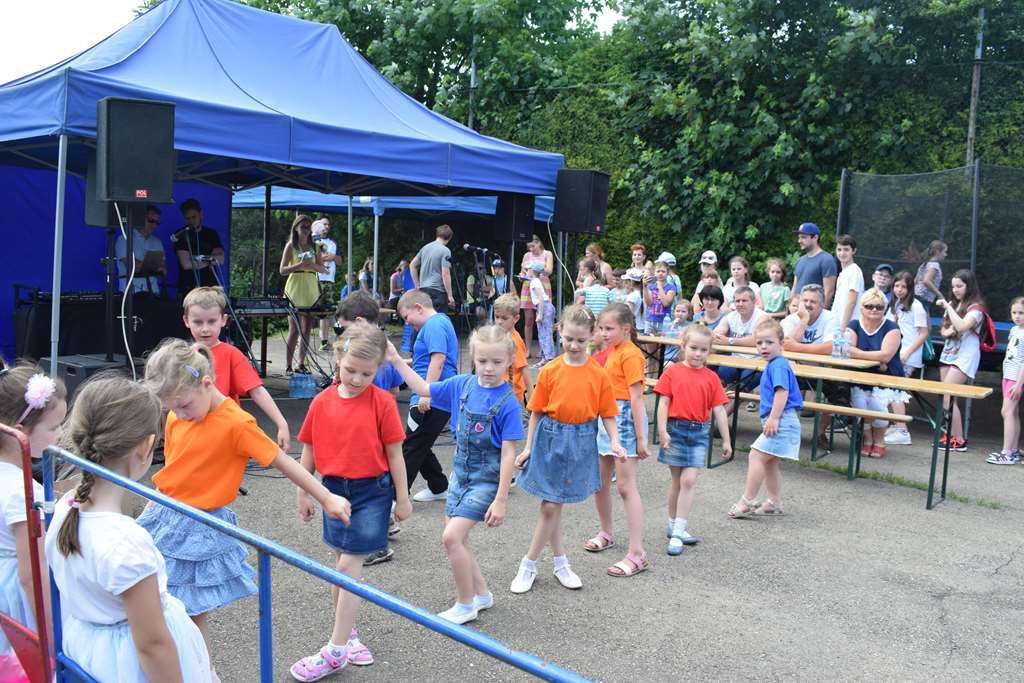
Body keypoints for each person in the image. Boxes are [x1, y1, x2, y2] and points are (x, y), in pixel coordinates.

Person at [138, 340, 350, 666]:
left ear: (206, 383)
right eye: (172, 409)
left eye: (183, 406)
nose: (179, 415)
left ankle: (203, 672)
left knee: (191, 612)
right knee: (159, 602)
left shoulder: (236, 423)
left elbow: (282, 461)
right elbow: (174, 467)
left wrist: (326, 497)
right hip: (166, 512)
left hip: (199, 525)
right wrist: (153, 503)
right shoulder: (180, 414)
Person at [46, 375, 211, 682]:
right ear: (146, 446)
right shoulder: (125, 542)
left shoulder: (64, 507)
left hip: (87, 648)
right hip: (128, 664)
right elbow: (152, 645)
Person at [289, 323, 412, 680]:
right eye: (350, 370)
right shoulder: (321, 402)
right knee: (339, 566)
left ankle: (336, 649)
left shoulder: (383, 402)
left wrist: (403, 498)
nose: (357, 379)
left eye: (367, 374)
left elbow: (396, 455)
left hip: (372, 493)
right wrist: (303, 492)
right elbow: (309, 451)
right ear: (338, 358)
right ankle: (349, 635)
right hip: (332, 491)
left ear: (378, 371)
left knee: (347, 568)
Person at [386, 325, 523, 625]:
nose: (489, 368)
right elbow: (423, 388)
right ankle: (482, 594)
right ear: (473, 357)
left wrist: (501, 500)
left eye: (497, 362)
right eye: (483, 361)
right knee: (457, 537)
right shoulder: (462, 385)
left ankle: (465, 604)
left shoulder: (508, 404)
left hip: (486, 481)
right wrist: (395, 359)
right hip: (460, 475)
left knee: (451, 538)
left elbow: (508, 454)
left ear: (509, 361)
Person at [511, 305, 623, 593]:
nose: (573, 345)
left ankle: (560, 563)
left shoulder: (598, 374)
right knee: (551, 505)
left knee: (554, 505)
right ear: (559, 331)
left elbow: (608, 413)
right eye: (569, 339)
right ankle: (530, 564)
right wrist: (527, 448)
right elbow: (536, 412)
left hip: (582, 442)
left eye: (581, 340)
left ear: (592, 336)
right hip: (550, 439)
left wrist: (615, 441)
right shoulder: (550, 370)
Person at [0, 362, 66, 678]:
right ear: (20, 431)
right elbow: (32, 575)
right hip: (16, 597)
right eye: (54, 428)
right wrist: (53, 639)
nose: (60, 435)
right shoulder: (23, 491)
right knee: (22, 666)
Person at [585, 303, 650, 578]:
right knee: (600, 482)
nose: (603, 333)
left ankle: (637, 553)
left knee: (626, 487)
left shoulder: (631, 354)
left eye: (609, 328)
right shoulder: (613, 350)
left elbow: (637, 398)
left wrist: (641, 439)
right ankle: (606, 532)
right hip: (609, 417)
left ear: (626, 328)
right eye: (601, 328)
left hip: (624, 420)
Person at [655, 325, 732, 555]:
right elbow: (664, 403)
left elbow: (719, 409)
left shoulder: (712, 377)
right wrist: (662, 431)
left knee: (689, 481)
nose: (698, 354)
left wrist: (726, 440)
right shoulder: (672, 372)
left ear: (709, 351)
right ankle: (673, 524)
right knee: (677, 481)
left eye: (703, 350)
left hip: (699, 433)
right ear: (684, 346)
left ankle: (678, 531)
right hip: (675, 430)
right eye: (694, 348)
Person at [181, 287, 290, 450]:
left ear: (223, 320)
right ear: (186, 321)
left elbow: (257, 391)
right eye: (198, 322)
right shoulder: (181, 356)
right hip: (190, 436)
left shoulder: (232, 354)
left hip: (224, 435)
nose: (205, 329)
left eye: (211, 321)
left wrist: (281, 423)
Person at [728, 319, 802, 518]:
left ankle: (747, 501)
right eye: (759, 343)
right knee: (769, 462)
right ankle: (773, 502)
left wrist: (774, 418)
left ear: (781, 344)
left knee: (756, 456)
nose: (763, 347)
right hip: (781, 419)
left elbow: (782, 392)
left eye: (769, 342)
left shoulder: (778, 366)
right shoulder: (774, 364)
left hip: (782, 419)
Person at [397, 291, 459, 503]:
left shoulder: (434, 325)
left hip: (432, 396)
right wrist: (398, 362)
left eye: (407, 317)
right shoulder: (437, 324)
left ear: (418, 307)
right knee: (419, 442)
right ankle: (439, 486)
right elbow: (426, 360)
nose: (407, 323)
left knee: (411, 446)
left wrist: (426, 393)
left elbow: (438, 360)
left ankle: (395, 497)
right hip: (435, 394)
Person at [781, 284, 850, 450]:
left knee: (841, 391)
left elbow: (830, 347)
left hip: (823, 371)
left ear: (822, 304)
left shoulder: (830, 318)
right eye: (805, 300)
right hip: (795, 371)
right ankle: (785, 432)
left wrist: (797, 347)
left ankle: (819, 433)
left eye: (813, 301)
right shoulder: (791, 319)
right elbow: (785, 344)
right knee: (778, 385)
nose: (808, 305)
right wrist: (803, 321)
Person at [847, 288, 905, 458]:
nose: (874, 309)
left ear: (884, 309)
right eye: (869, 306)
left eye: (879, 307)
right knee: (859, 405)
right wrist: (875, 357)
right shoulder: (854, 325)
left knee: (877, 407)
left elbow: (886, 355)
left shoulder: (892, 328)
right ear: (861, 308)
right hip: (860, 376)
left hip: (886, 376)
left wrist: (859, 353)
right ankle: (868, 439)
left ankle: (879, 441)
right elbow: (847, 349)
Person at [936, 269, 987, 451]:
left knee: (948, 394)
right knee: (947, 397)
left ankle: (958, 439)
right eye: (953, 286)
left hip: (965, 356)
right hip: (949, 353)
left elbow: (962, 326)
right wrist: (946, 332)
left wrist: (948, 307)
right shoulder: (954, 304)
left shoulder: (977, 309)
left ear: (969, 286)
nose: (955, 290)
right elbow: (944, 328)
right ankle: (952, 436)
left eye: (960, 286)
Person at [884, 271, 929, 446]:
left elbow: (923, 334)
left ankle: (902, 430)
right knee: (890, 390)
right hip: (895, 353)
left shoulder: (916, 306)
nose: (899, 289)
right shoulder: (895, 304)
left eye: (903, 286)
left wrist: (907, 353)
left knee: (896, 391)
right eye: (896, 286)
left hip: (907, 356)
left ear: (910, 288)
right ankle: (896, 425)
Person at [279, 214, 326, 374]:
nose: (305, 230)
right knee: (294, 329)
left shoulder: (315, 247)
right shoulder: (291, 246)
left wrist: (311, 265)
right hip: (295, 286)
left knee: (307, 328)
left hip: (310, 287)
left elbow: (322, 269)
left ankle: (301, 363)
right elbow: (282, 270)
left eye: (308, 227)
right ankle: (288, 364)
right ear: (296, 228)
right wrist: (299, 265)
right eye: (302, 226)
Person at [713, 286, 766, 405]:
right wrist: (718, 335)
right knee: (718, 379)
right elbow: (717, 333)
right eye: (737, 301)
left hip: (756, 362)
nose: (740, 304)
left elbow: (756, 340)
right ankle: (713, 413)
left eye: (744, 300)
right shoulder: (731, 316)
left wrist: (729, 341)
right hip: (735, 360)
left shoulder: (762, 317)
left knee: (741, 389)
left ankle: (723, 415)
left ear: (754, 302)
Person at [988, 297, 1024, 465]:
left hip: (1016, 380)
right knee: (1013, 413)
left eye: (1021, 313)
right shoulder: (1014, 330)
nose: (1017, 316)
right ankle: (1014, 450)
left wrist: (1018, 384)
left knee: (1007, 412)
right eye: (1014, 312)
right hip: (1008, 376)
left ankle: (1007, 453)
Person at [171, 198, 225, 300]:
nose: (191, 221)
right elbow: (186, 264)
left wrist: (196, 259)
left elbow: (220, 259)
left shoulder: (211, 234)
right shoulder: (181, 234)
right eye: (188, 218)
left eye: (194, 217)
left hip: (211, 286)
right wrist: (210, 260)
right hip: (189, 287)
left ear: (201, 214)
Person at [115, 204, 166, 295]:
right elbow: (133, 267)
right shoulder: (124, 238)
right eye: (151, 221)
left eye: (157, 223)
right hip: (131, 293)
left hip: (154, 292)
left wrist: (144, 265)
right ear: (140, 219)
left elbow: (164, 269)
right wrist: (154, 267)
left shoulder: (157, 242)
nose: (154, 225)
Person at [519, 235, 554, 357]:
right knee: (528, 320)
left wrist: (535, 268)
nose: (531, 249)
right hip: (528, 286)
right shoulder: (526, 255)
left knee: (544, 317)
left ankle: (543, 349)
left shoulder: (547, 253)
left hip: (542, 285)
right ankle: (527, 349)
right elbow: (522, 271)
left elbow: (549, 270)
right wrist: (522, 275)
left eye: (533, 246)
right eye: (529, 247)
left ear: (539, 243)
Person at [493, 293, 530, 405]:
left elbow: (524, 369)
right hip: (497, 391)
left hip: (512, 395)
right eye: (497, 317)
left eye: (504, 318)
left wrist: (532, 397)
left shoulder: (515, 341)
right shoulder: (497, 335)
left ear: (516, 318)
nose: (499, 321)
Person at [410, 225, 455, 313]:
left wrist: (417, 285)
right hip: (437, 292)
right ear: (449, 237)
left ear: (437, 234)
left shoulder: (425, 248)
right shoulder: (445, 251)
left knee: (424, 318)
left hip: (423, 291)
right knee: (437, 319)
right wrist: (450, 295)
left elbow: (412, 265)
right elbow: (445, 274)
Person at [793, 222, 837, 308]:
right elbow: (794, 288)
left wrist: (821, 313)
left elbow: (829, 292)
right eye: (799, 237)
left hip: (813, 311)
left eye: (803, 237)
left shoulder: (826, 259)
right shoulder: (800, 260)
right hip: (797, 311)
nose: (799, 241)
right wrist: (790, 309)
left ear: (815, 237)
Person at [313, 218, 341, 351]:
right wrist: (326, 256)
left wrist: (331, 256)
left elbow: (337, 259)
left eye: (328, 224)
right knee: (318, 311)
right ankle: (323, 341)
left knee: (328, 310)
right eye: (324, 224)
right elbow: (316, 258)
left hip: (329, 280)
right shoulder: (312, 240)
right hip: (315, 279)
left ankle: (329, 341)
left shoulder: (332, 242)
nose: (326, 227)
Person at [527, 262, 556, 366]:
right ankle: (545, 358)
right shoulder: (535, 281)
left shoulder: (535, 282)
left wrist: (540, 314)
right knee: (542, 334)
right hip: (543, 307)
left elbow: (540, 298)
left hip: (544, 307)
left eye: (528, 269)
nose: (527, 271)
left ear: (532, 271)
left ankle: (549, 359)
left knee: (546, 334)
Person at [834, 234, 864, 331]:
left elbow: (851, 302)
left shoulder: (854, 271)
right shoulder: (843, 273)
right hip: (837, 325)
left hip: (848, 328)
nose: (842, 253)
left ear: (854, 251)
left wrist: (843, 328)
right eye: (839, 250)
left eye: (846, 250)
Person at [643, 260, 677, 334]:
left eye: (663, 271)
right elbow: (649, 303)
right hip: (650, 320)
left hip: (664, 322)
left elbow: (666, 303)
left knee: (663, 340)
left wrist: (659, 286)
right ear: (654, 273)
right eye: (658, 271)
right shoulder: (650, 286)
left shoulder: (671, 287)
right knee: (648, 340)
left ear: (668, 273)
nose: (660, 273)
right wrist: (645, 287)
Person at [914, 240, 948, 311]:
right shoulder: (934, 265)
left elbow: (915, 281)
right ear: (938, 252)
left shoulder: (924, 264)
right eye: (944, 252)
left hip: (917, 296)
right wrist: (939, 294)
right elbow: (926, 281)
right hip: (923, 298)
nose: (945, 255)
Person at [661, 300, 693, 365]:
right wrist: (673, 327)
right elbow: (665, 340)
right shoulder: (669, 324)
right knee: (668, 365)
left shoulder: (690, 326)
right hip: (670, 355)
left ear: (689, 314)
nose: (680, 314)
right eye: (678, 311)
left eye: (683, 312)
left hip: (685, 356)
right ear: (674, 312)